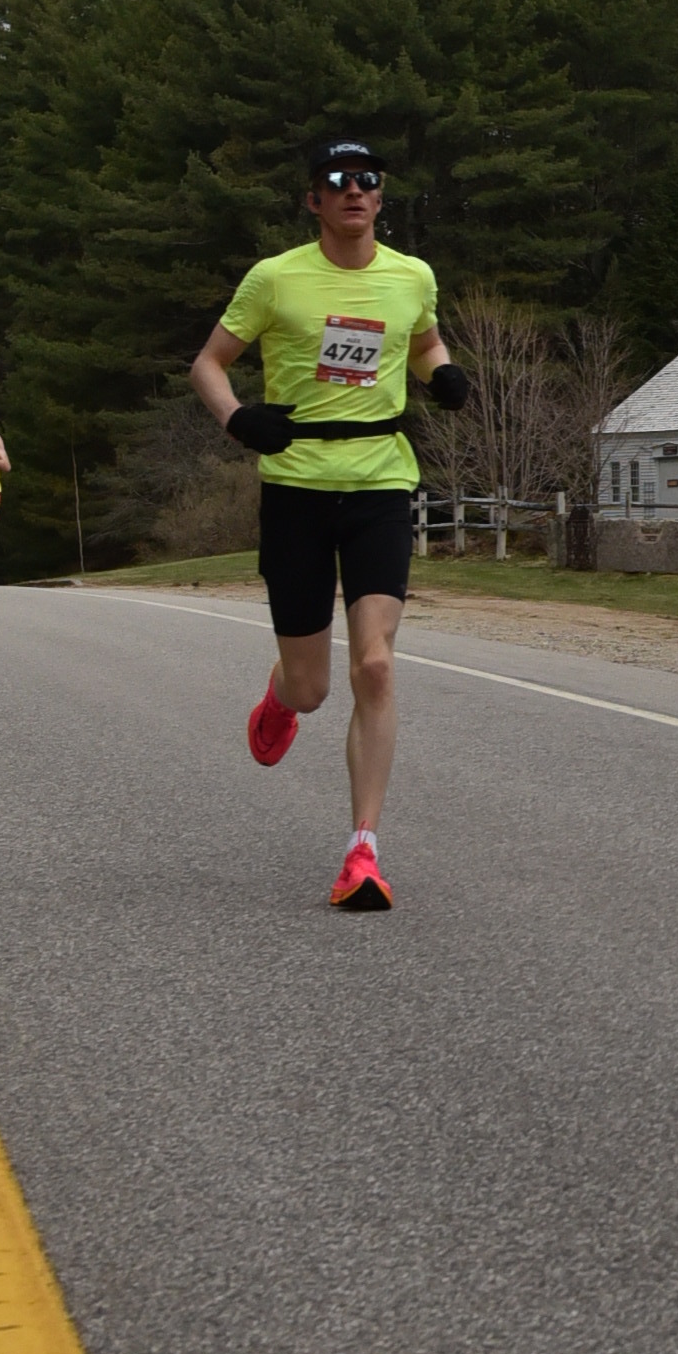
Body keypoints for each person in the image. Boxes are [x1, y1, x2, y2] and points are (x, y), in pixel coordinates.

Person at [191, 138, 469, 911]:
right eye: (337, 180)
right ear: (314, 199)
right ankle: (282, 696)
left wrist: (441, 371)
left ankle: (362, 851)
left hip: (381, 481)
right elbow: (208, 363)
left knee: (375, 665)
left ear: (380, 197)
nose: (354, 190)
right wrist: (238, 420)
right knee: (314, 687)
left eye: (367, 179)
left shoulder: (412, 276)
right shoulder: (275, 279)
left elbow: (423, 339)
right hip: (296, 489)